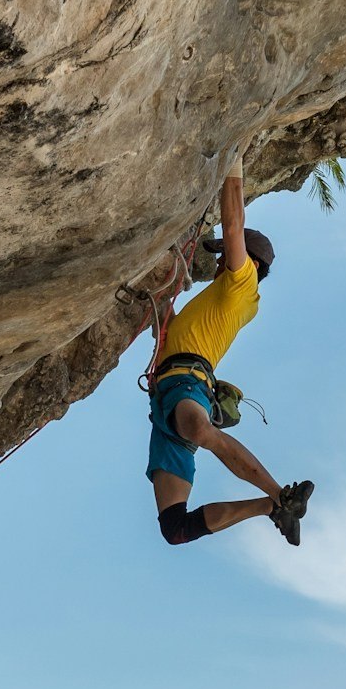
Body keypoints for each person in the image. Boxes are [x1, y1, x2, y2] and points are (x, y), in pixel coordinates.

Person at [145, 154, 313, 547]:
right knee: (175, 528)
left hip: (186, 385)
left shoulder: (243, 284)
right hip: (168, 402)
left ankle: (280, 495)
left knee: (201, 430)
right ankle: (273, 508)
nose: (219, 260)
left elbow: (233, 222)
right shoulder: (225, 297)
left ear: (249, 262)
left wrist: (233, 160)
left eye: (225, 254)